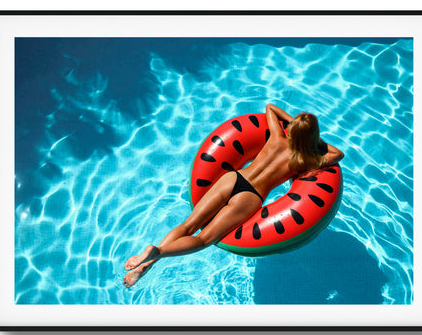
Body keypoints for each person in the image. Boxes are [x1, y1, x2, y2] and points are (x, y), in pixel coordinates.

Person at [123, 103, 344, 287]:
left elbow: (270, 108)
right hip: (249, 196)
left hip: (233, 178)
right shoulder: (306, 160)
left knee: (189, 225)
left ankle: (147, 263)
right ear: (312, 137)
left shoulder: (276, 137)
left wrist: (292, 122)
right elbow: (338, 154)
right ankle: (158, 252)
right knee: (203, 239)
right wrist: (313, 141)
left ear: (292, 129)